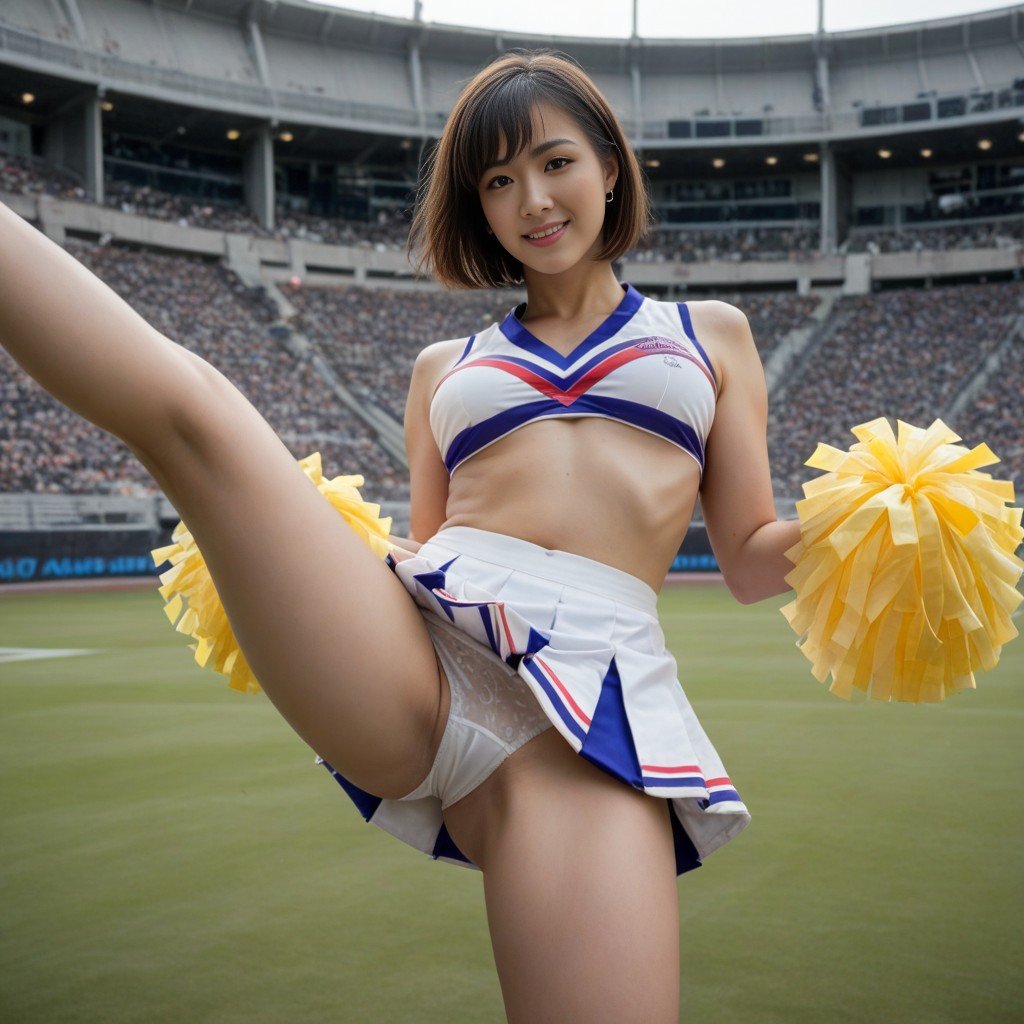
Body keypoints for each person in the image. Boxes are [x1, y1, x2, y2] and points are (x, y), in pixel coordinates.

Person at [0, 48, 802, 1024]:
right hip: (421, 655)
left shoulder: (709, 334)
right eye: (498, 182)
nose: (532, 200)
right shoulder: (441, 365)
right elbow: (428, 544)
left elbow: (752, 556)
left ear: (607, 164)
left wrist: (871, 529)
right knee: (196, 418)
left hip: (587, 707)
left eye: (553, 163)